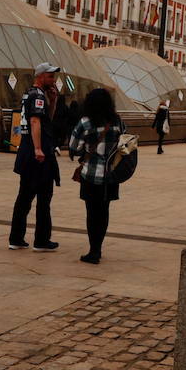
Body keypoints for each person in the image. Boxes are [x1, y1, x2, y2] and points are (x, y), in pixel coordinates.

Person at [9, 63, 62, 251]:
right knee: (44, 196)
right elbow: (35, 121)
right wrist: (38, 149)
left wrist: (53, 102)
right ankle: (41, 240)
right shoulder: (38, 95)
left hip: (26, 153)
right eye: (50, 76)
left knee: (24, 196)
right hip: (37, 155)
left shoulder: (30, 94)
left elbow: (45, 119)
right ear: (40, 76)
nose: (53, 80)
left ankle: (16, 238)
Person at [69, 87, 125, 264]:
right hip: (111, 175)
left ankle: (94, 251)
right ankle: (98, 248)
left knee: (92, 213)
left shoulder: (86, 122)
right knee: (104, 211)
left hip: (91, 176)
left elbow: (74, 146)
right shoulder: (117, 121)